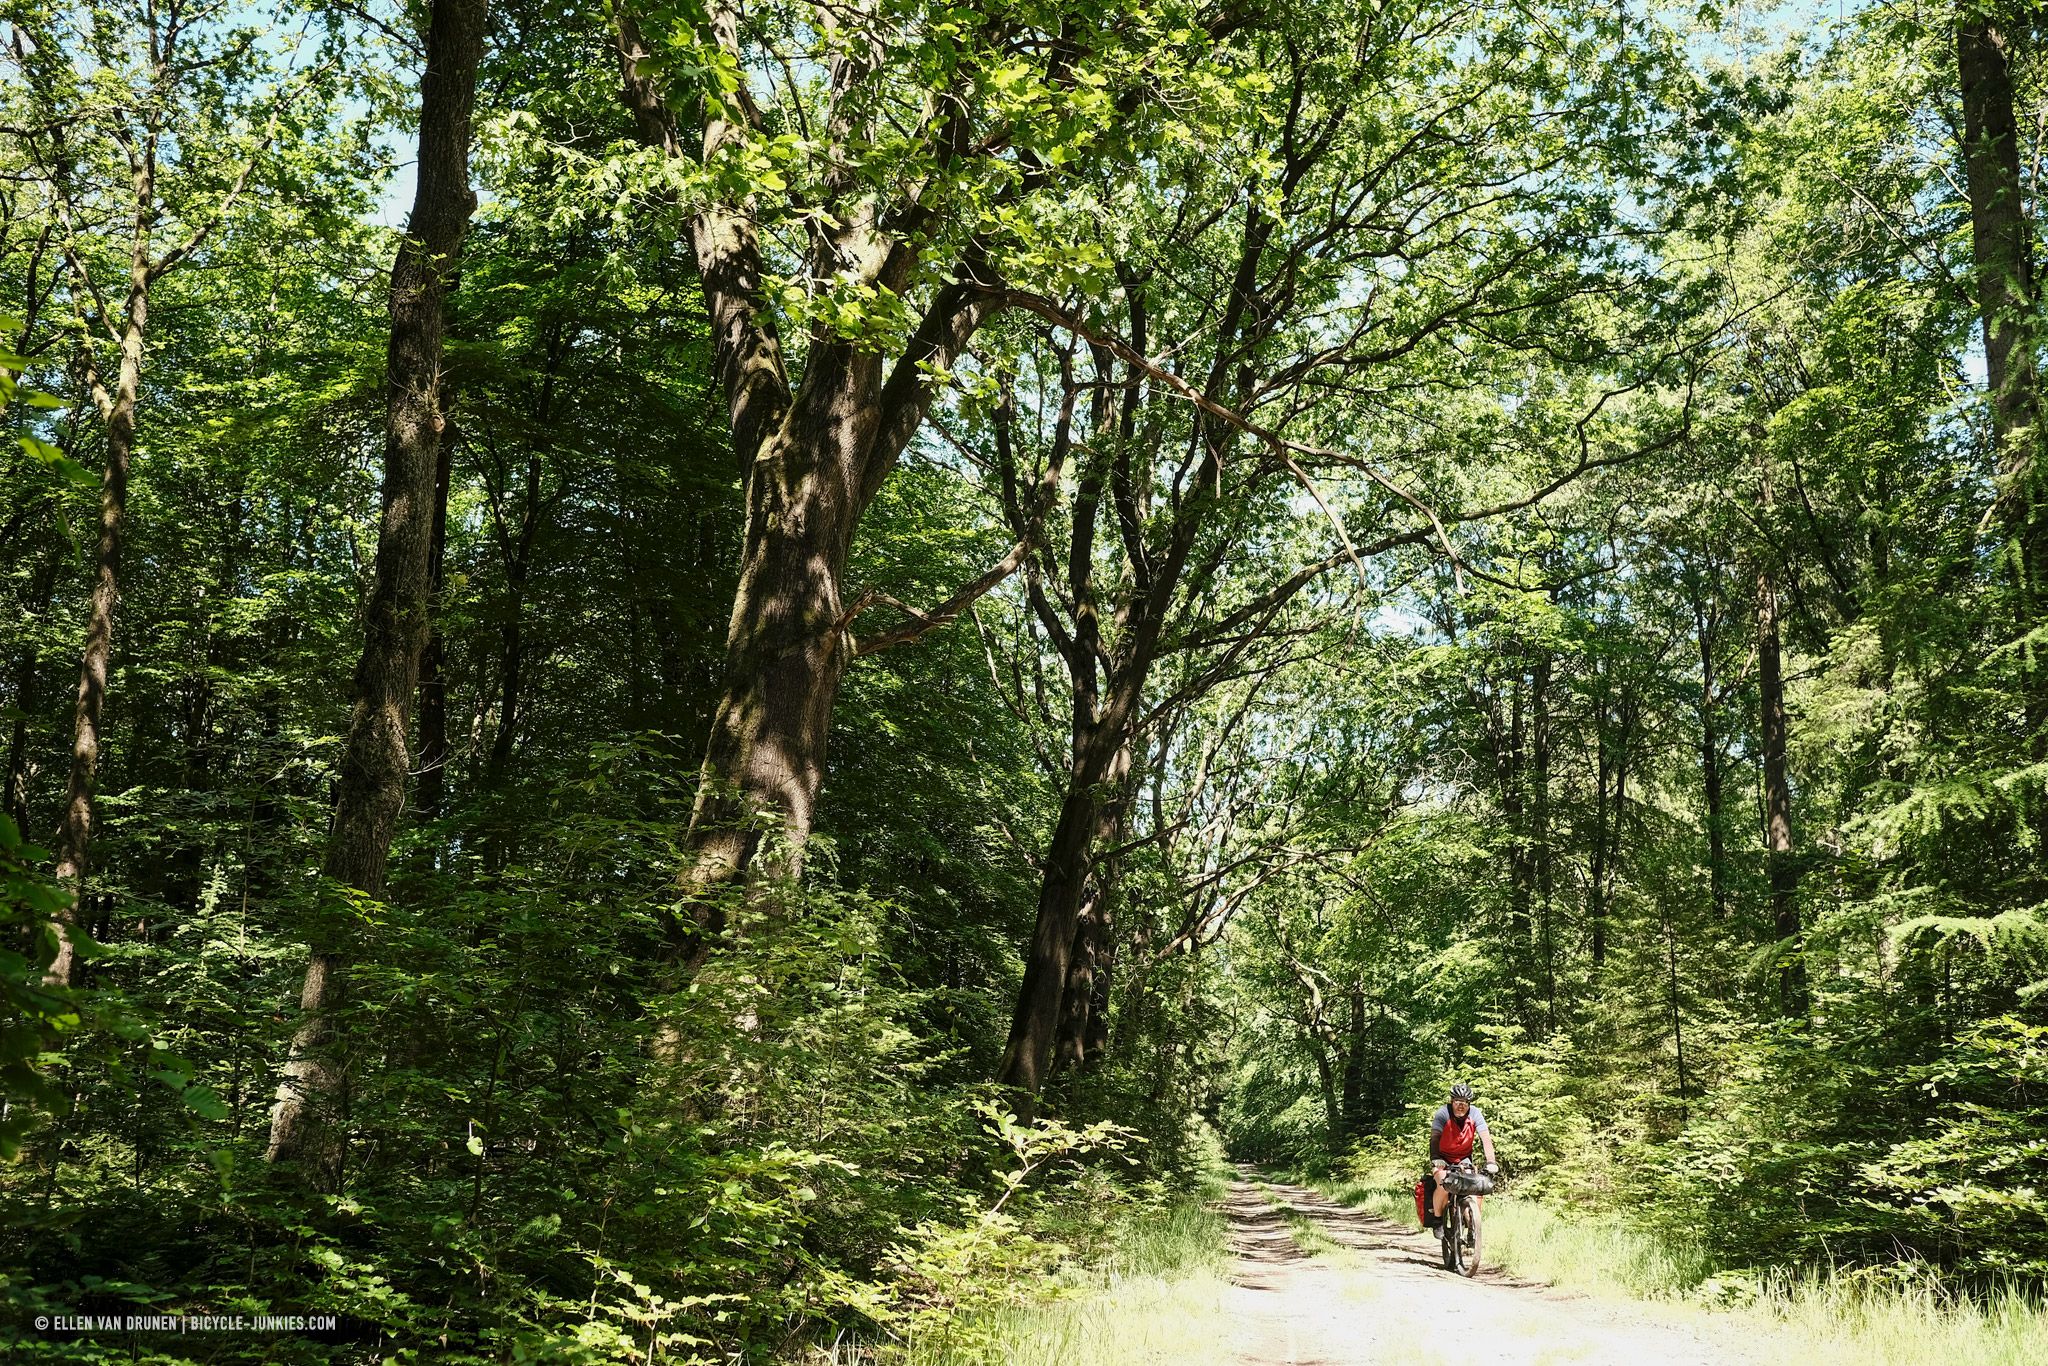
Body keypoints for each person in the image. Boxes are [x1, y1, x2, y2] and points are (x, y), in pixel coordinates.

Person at [1425, 1082, 1498, 1230]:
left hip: (1464, 1158)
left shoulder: (1475, 1113)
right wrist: (1435, 1158)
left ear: (1469, 1103)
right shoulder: (1443, 1113)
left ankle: (1472, 1223)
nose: (1461, 1105)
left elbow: (1486, 1138)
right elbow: (1434, 1138)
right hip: (1442, 1158)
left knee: (1475, 1187)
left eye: (1465, 1102)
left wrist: (1491, 1161)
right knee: (1443, 1183)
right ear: (1452, 1101)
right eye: (1457, 1101)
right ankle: (1438, 1220)